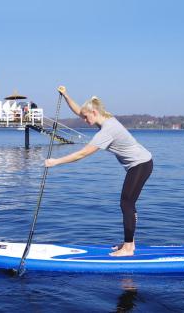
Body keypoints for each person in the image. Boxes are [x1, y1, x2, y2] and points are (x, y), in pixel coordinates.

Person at [45, 86, 153, 257]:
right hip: (141, 164)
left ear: (94, 112)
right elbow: (79, 111)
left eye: (87, 117)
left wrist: (55, 162)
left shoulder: (107, 131)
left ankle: (128, 248)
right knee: (128, 204)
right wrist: (66, 95)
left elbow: (81, 154)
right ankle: (129, 244)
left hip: (140, 164)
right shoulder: (105, 118)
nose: (84, 120)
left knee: (126, 203)